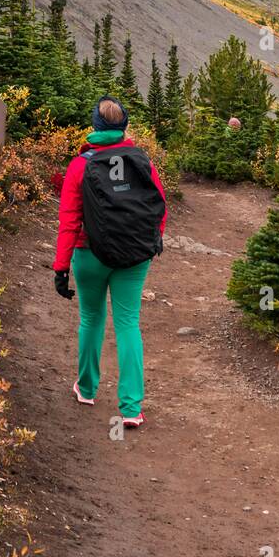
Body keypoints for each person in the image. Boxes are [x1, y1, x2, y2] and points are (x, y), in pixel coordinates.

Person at [51, 96, 166, 427]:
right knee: (128, 323)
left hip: (90, 255)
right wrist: (149, 243)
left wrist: (61, 268)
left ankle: (86, 389)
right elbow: (159, 207)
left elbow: (70, 221)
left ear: (95, 127)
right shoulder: (141, 159)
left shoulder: (80, 165)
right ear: (124, 127)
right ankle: (131, 408)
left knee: (91, 318)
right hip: (134, 256)